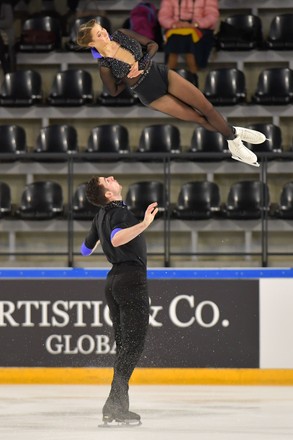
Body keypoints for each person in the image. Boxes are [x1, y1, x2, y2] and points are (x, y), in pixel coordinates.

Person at [76, 19, 266, 166]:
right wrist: (127, 76)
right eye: (99, 35)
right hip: (150, 94)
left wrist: (141, 63)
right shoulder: (104, 66)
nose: (105, 34)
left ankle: (233, 137)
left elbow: (152, 44)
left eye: (103, 30)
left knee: (206, 107)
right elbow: (114, 91)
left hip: (161, 74)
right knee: (197, 118)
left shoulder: (121, 34)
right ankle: (236, 141)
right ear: (91, 44)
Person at [80, 175, 158, 426]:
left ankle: (115, 406)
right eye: (107, 180)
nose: (112, 178)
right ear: (108, 195)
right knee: (132, 346)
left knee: (124, 345)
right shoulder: (120, 213)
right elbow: (116, 239)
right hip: (131, 280)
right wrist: (144, 223)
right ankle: (114, 405)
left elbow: (85, 249)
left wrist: (102, 236)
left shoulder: (100, 215)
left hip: (113, 281)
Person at [158, 0, 219, 74]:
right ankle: (192, 74)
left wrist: (196, 24)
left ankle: (169, 74)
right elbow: (164, 16)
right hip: (176, 29)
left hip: (201, 28)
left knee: (188, 39)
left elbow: (212, 16)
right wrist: (174, 24)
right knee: (175, 37)